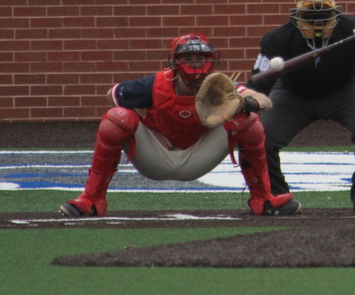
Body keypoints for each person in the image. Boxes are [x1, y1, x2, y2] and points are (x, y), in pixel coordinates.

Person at [60, 33, 301, 217]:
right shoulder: (154, 84)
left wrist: (245, 102)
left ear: (211, 61)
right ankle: (92, 199)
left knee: (248, 122)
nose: (195, 64)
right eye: (188, 58)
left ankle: (263, 200)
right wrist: (150, 128)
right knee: (117, 119)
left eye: (201, 58)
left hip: (199, 155)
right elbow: (112, 94)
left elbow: (265, 101)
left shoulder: (219, 86)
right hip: (157, 155)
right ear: (175, 61)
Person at [246, 0, 355, 214]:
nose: (318, 22)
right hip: (292, 94)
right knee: (259, 135)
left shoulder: (353, 29)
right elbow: (260, 82)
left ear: (336, 16)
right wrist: (253, 106)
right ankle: (277, 197)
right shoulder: (277, 39)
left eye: (324, 17)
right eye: (310, 17)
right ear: (296, 18)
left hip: (346, 90)